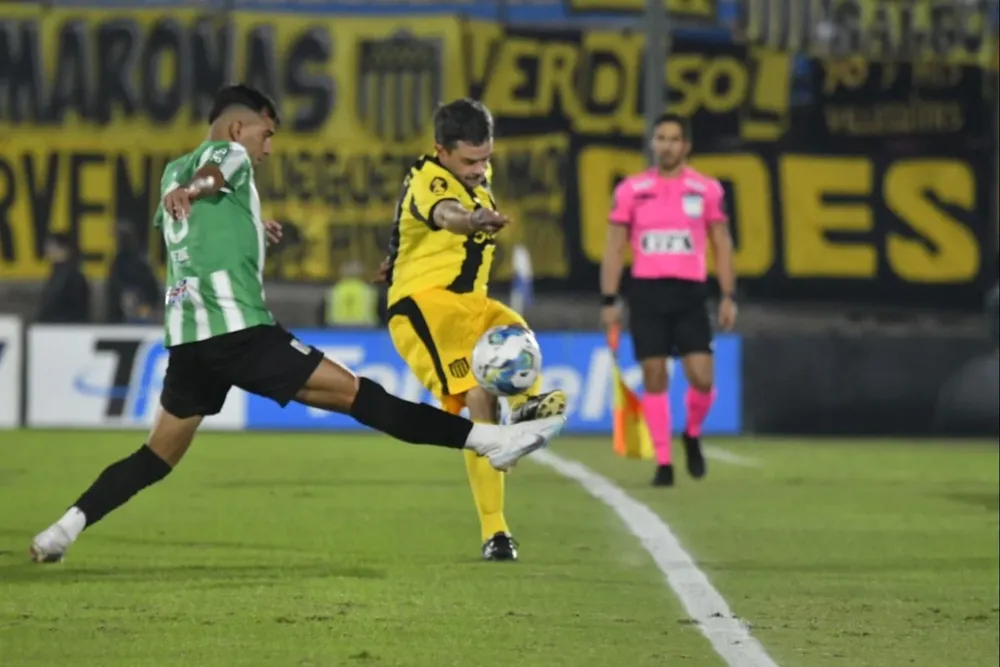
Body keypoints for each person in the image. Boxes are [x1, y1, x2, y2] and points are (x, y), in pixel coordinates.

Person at [29, 85, 565, 564]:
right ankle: (488, 439)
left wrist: (251, 224)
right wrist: (200, 187)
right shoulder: (224, 155)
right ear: (240, 126)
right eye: (267, 134)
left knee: (154, 457)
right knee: (365, 398)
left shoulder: (171, 171)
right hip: (239, 333)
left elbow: (196, 227)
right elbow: (216, 173)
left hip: (189, 342)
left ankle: (62, 529)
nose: (268, 148)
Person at [374, 98, 566, 561]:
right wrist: (473, 220)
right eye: (470, 161)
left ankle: (522, 413)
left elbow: (410, 226)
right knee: (479, 402)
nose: (480, 170)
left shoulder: (476, 175)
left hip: (470, 305)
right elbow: (444, 213)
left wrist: (396, 253)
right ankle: (496, 530)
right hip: (427, 310)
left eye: (486, 158)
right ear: (441, 151)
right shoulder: (432, 179)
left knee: (518, 335)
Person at [599, 113, 737, 488]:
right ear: (653, 143)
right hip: (646, 291)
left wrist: (727, 296)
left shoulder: (706, 190)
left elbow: (722, 244)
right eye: (661, 138)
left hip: (691, 292)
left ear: (686, 145)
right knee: (654, 375)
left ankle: (692, 433)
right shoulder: (632, 189)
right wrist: (609, 298)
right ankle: (664, 462)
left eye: (674, 139)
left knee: (702, 377)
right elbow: (614, 247)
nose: (667, 145)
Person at [36, 232, 91, 324]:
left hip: (64, 328)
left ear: (64, 249)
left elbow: (74, 308)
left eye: (51, 247)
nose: (47, 251)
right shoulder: (57, 273)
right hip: (55, 328)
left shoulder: (71, 276)